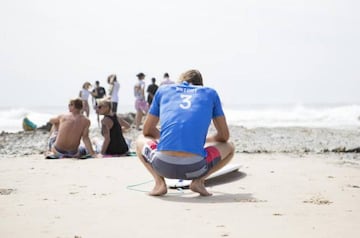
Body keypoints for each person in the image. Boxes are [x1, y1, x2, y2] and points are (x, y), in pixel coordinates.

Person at [136, 69, 235, 196]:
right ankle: (198, 182)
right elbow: (224, 136)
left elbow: (147, 131)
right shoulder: (210, 93)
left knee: (140, 138)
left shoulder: (163, 90)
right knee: (230, 147)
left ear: (180, 81)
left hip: (162, 165)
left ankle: (159, 183)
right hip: (196, 168)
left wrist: (169, 137)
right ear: (200, 85)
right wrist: (203, 140)